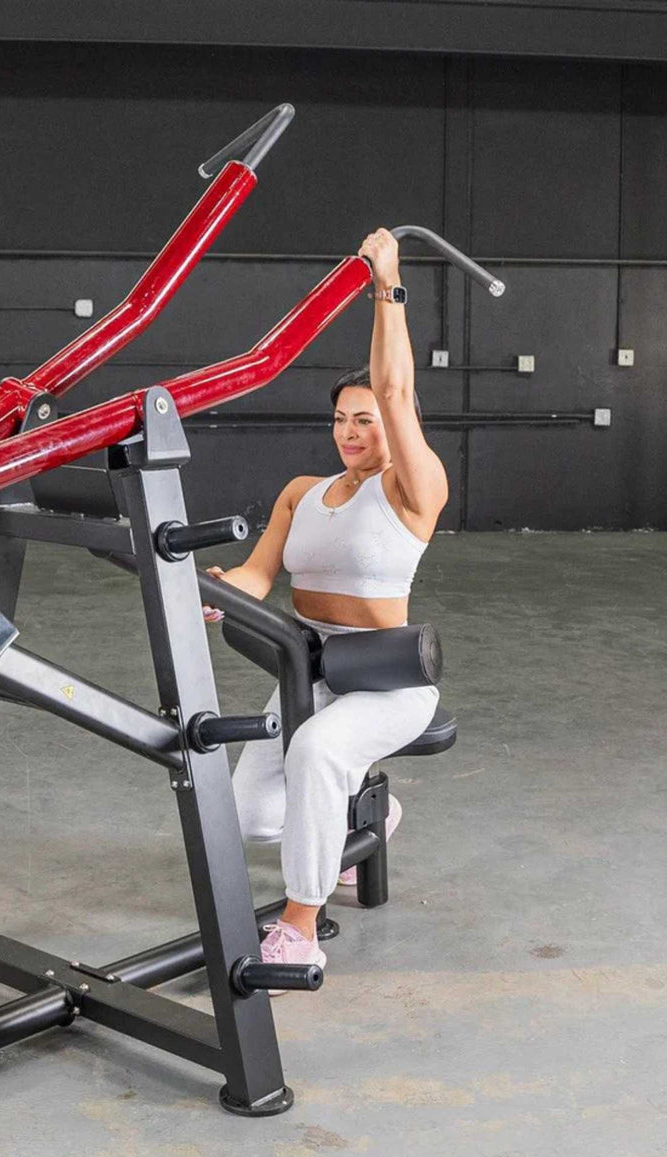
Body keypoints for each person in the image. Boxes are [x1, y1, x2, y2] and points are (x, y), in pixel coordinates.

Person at [204, 228, 448, 978]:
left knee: (316, 751)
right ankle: (362, 818)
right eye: (342, 418)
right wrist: (214, 591)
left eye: (365, 420)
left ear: (390, 430)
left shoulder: (413, 490)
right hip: (306, 669)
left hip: (389, 680)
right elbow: (257, 574)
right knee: (245, 813)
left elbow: (399, 388)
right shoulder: (301, 494)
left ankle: (299, 927)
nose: (350, 431)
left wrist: (388, 282)